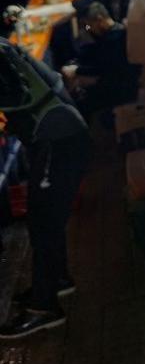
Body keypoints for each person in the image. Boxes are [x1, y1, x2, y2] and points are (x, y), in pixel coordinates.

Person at [0, 32, 90, 340]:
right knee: (43, 219)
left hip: (58, 140)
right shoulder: (4, 47)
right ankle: (57, 280)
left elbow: (15, 93)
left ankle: (44, 307)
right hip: (57, 135)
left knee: (44, 221)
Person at [61, 2, 141, 119]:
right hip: (116, 81)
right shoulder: (115, 30)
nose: (89, 29)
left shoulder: (115, 40)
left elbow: (102, 69)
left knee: (80, 105)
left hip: (119, 89)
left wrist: (76, 71)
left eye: (90, 25)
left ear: (99, 19)